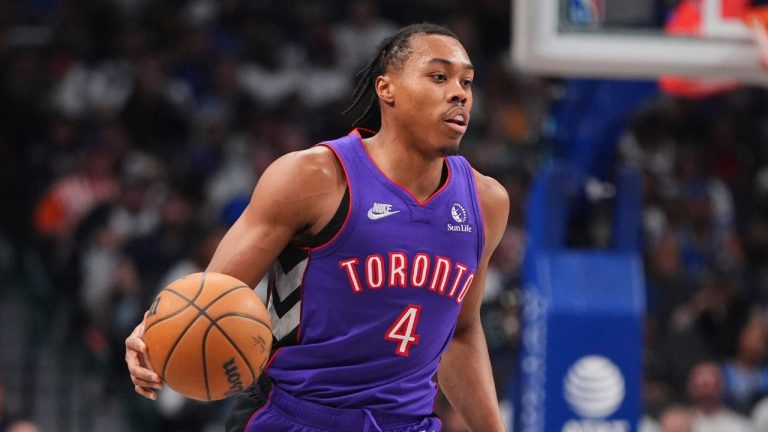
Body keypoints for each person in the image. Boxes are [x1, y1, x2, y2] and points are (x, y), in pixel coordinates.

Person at [125, 22, 508, 432]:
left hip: (408, 423)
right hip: (295, 417)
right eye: (438, 76)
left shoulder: (485, 202)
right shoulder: (314, 177)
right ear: (386, 89)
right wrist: (152, 332)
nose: (459, 93)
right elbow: (212, 296)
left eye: (466, 81)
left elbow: (462, 332)